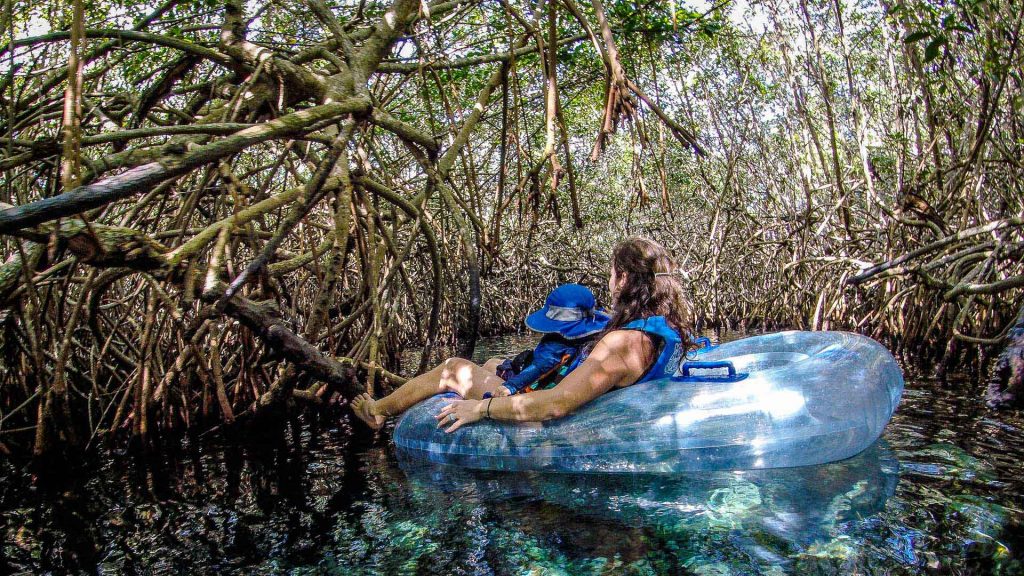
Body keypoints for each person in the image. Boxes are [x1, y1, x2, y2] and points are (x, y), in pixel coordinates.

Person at [350, 237, 693, 432]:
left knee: (453, 367)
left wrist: (481, 410)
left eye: (612, 273)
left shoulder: (622, 343)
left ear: (622, 279)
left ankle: (377, 411)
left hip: (557, 420)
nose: (609, 281)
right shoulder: (663, 328)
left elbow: (558, 403)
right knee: (496, 362)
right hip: (596, 405)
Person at [495, 283, 610, 397]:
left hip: (532, 389)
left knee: (489, 364)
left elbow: (540, 367)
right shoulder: (596, 335)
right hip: (558, 380)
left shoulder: (557, 346)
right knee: (495, 362)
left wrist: (510, 386)